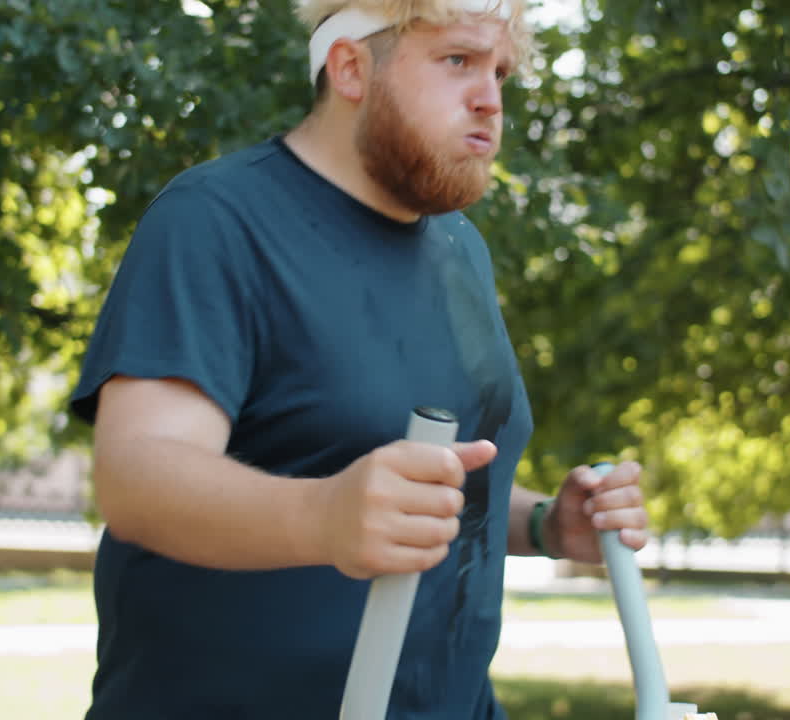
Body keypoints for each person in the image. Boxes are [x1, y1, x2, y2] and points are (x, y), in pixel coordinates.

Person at [69, 0, 652, 717]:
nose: (491, 99)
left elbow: (431, 489)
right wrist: (322, 517)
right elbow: (137, 480)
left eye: (500, 71)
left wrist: (544, 524)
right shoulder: (215, 220)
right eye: (458, 61)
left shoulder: (460, 250)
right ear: (350, 67)